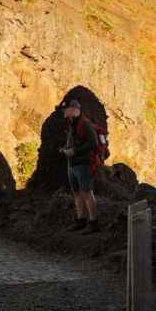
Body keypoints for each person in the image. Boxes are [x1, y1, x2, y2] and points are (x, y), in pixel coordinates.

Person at [60, 99, 99, 231]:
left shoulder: (85, 124)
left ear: (75, 110)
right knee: (76, 193)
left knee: (87, 192)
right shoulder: (72, 124)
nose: (64, 112)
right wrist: (65, 150)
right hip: (72, 164)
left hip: (83, 164)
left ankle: (93, 223)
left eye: (66, 109)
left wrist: (75, 151)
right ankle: (80, 220)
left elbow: (93, 143)